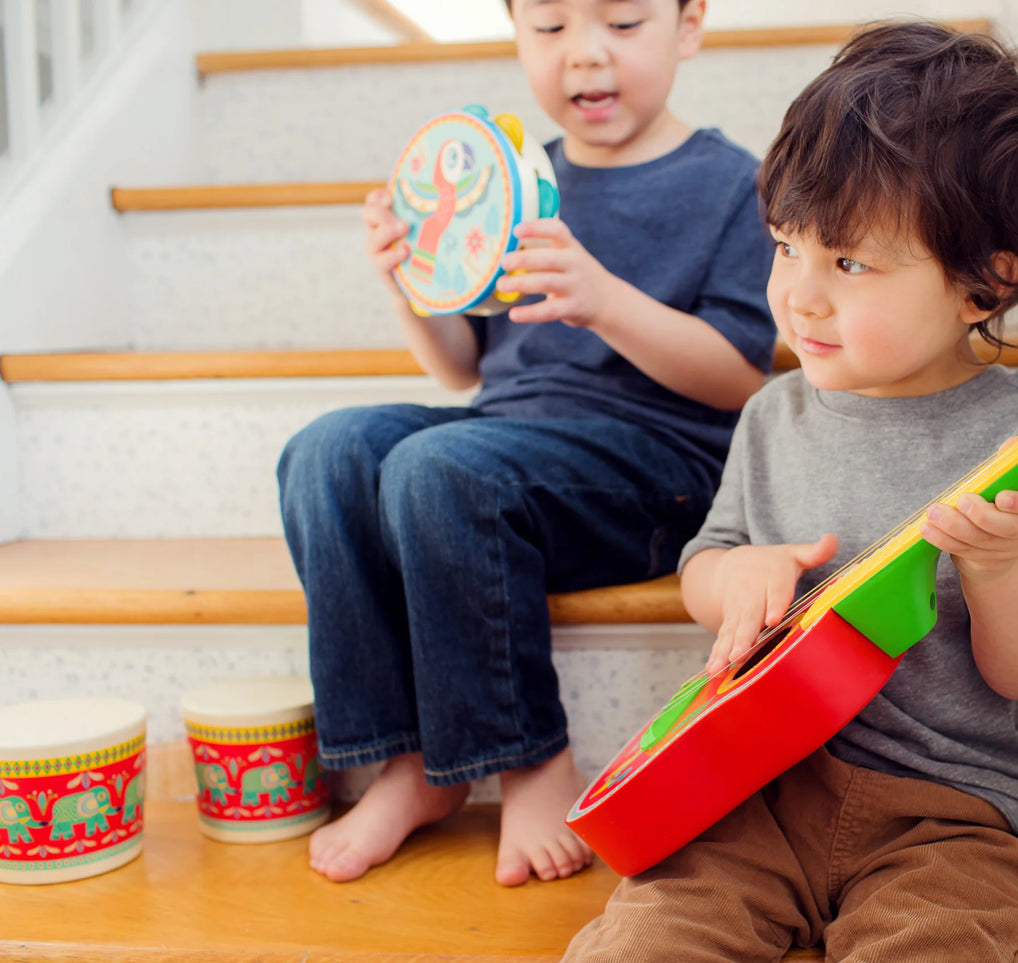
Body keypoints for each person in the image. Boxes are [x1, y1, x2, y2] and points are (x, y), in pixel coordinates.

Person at [563, 20, 1018, 962]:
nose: (799, 296)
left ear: (984, 285)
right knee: (643, 942)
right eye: (785, 248)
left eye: (848, 263)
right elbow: (703, 566)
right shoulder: (772, 415)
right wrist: (739, 577)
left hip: (953, 813)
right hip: (755, 791)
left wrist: (1000, 569)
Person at [277, 0, 775, 887]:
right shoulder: (505, 178)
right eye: (548, 29)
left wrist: (603, 299)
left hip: (653, 466)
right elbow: (464, 369)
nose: (584, 55)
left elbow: (744, 379)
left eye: (622, 25)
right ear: (515, 34)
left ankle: (531, 758)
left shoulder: (735, 185)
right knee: (329, 451)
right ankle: (411, 760)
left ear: (688, 26)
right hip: (504, 444)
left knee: (440, 469)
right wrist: (406, 286)